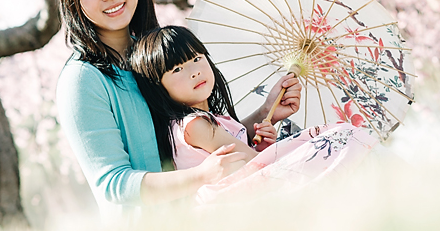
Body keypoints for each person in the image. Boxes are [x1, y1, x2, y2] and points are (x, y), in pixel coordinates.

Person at [55, 0, 301, 219]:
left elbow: (195, 139)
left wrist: (264, 112)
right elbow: (114, 184)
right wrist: (200, 177)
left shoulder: (154, 59)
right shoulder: (82, 80)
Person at [130, 25, 379, 204]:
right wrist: (266, 150)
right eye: (177, 69)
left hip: (241, 192)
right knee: (337, 138)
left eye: (196, 59)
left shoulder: (211, 120)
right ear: (158, 87)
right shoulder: (195, 125)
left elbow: (246, 155)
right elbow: (254, 164)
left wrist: (266, 119)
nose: (194, 71)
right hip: (229, 201)